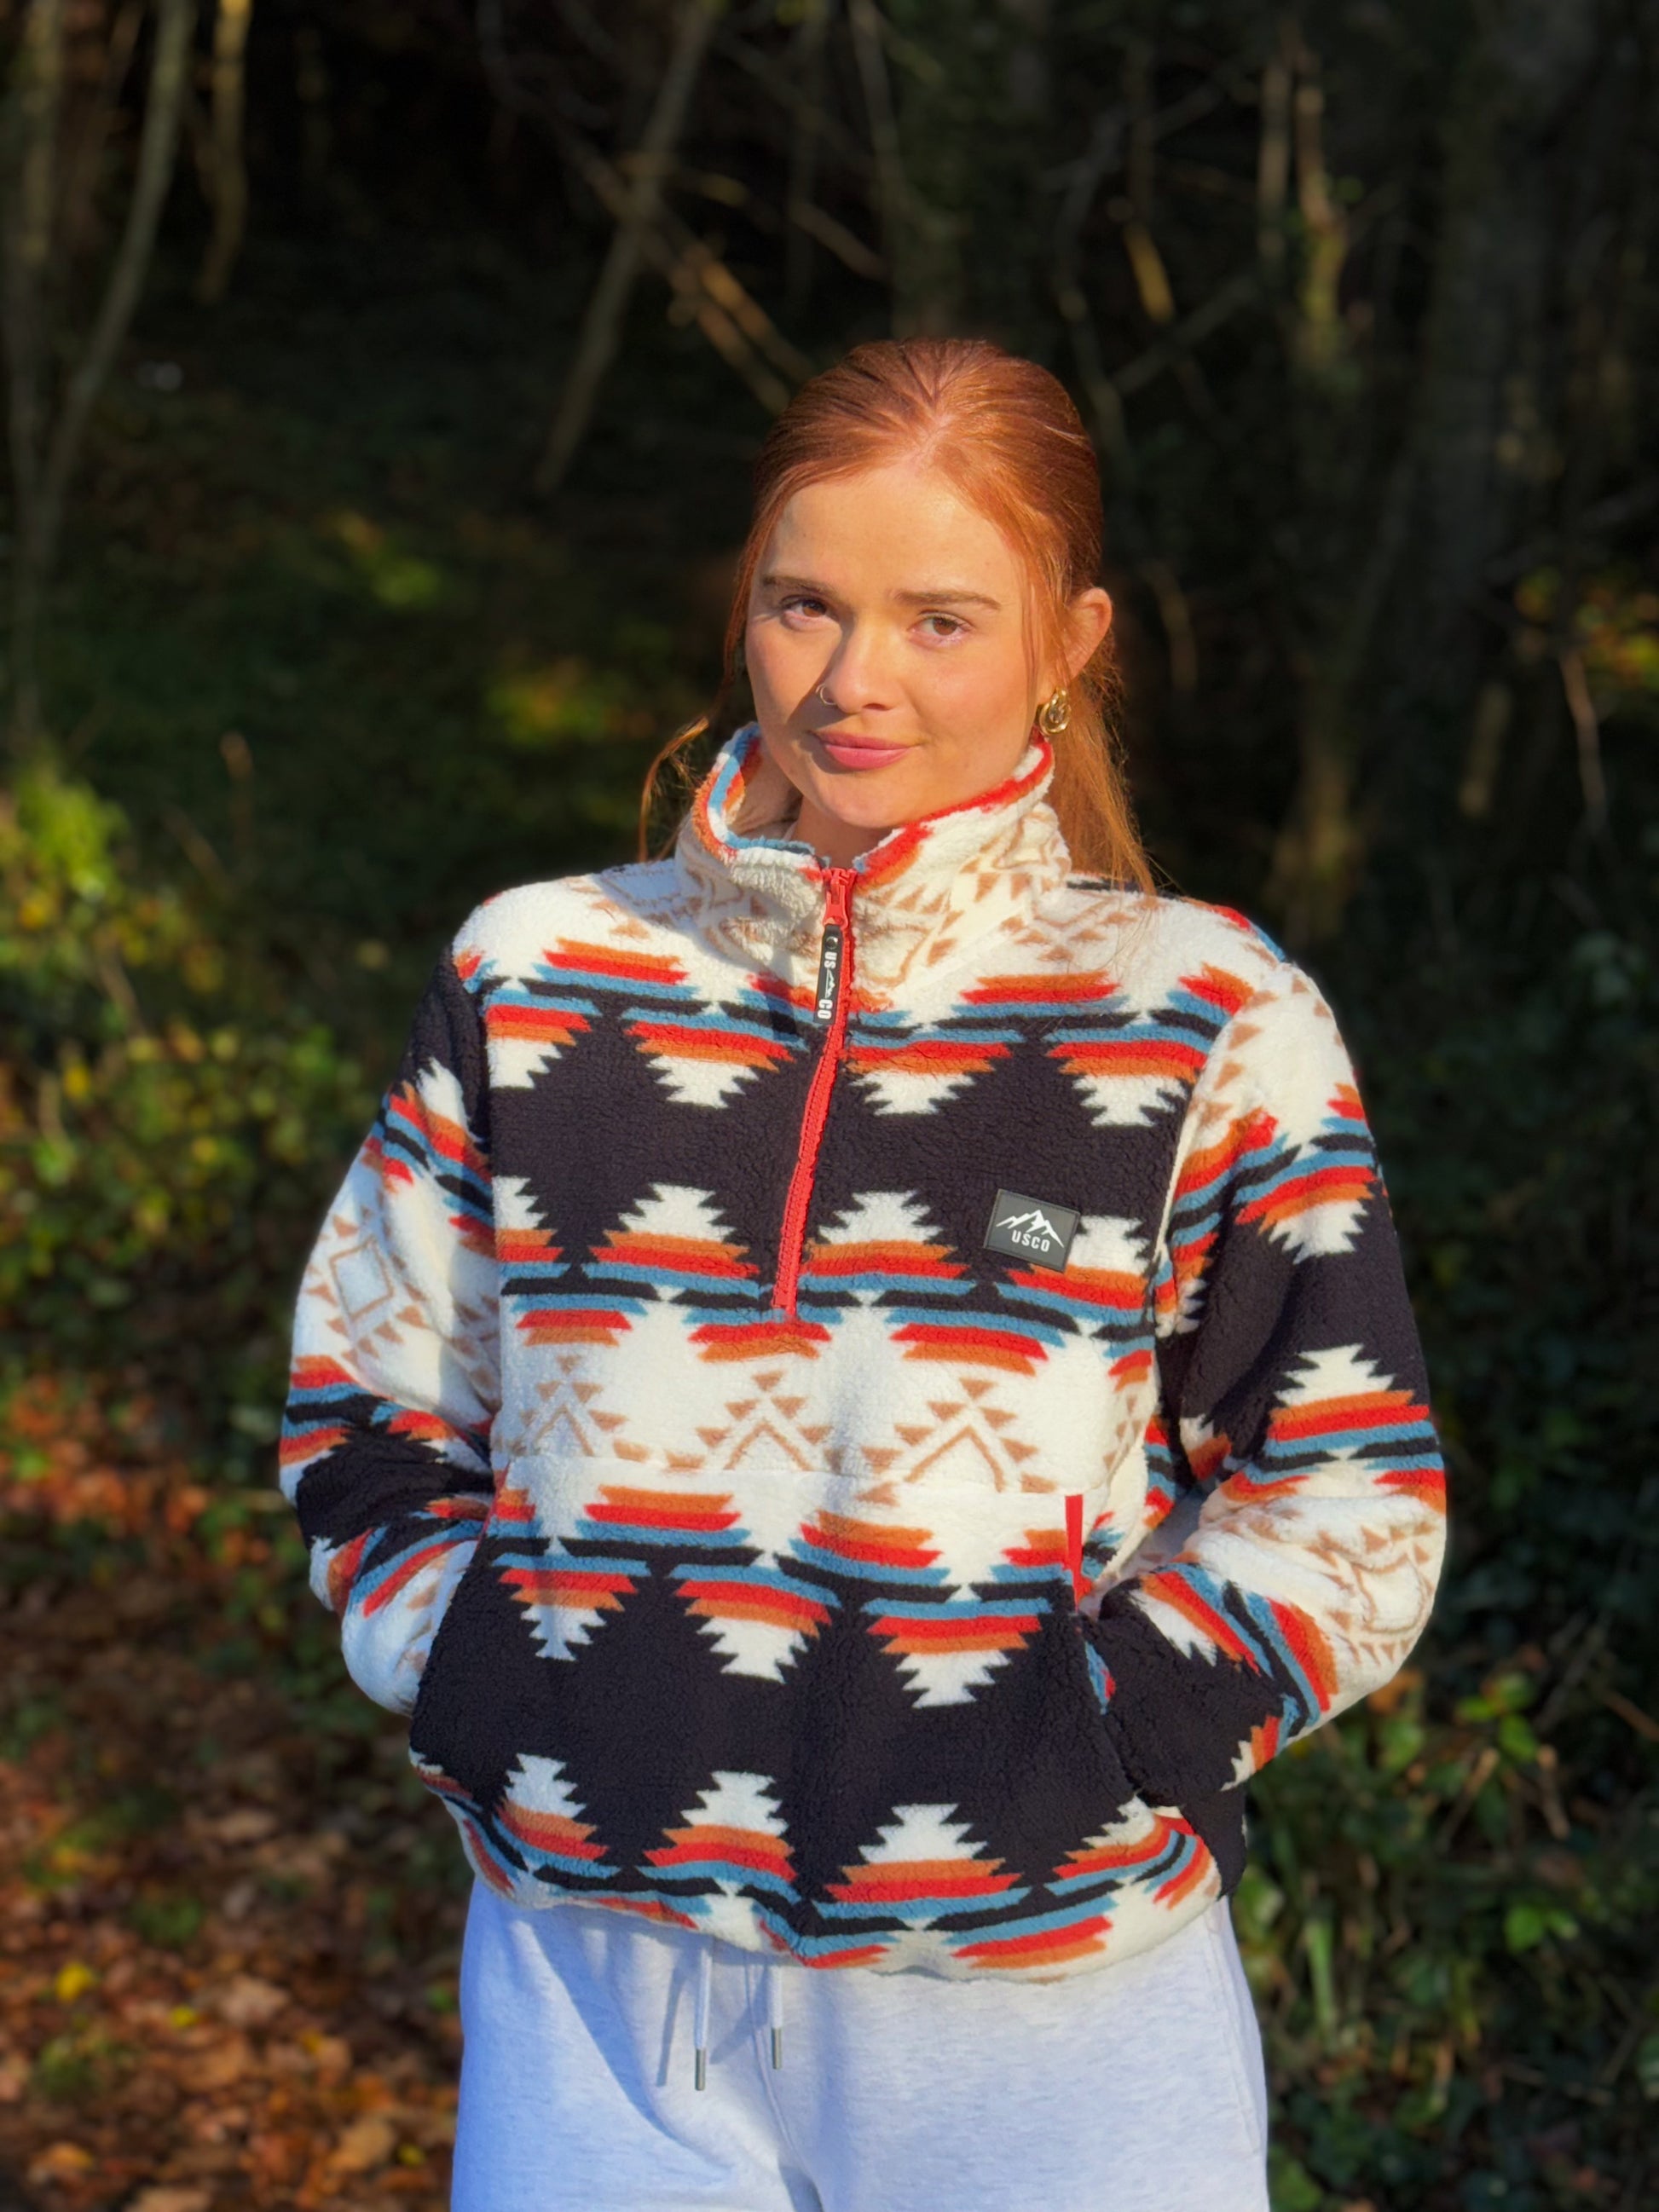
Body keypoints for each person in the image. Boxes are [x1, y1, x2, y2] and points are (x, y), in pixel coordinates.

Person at [280, 338, 1447, 2212]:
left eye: (939, 619)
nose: (852, 680)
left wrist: (1096, 1745)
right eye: (803, 603)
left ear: (1068, 641)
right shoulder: (537, 976)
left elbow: (1348, 1494)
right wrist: (494, 1672)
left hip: (1044, 2025)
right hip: (596, 1998)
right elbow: (370, 1401)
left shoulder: (1202, 1015)